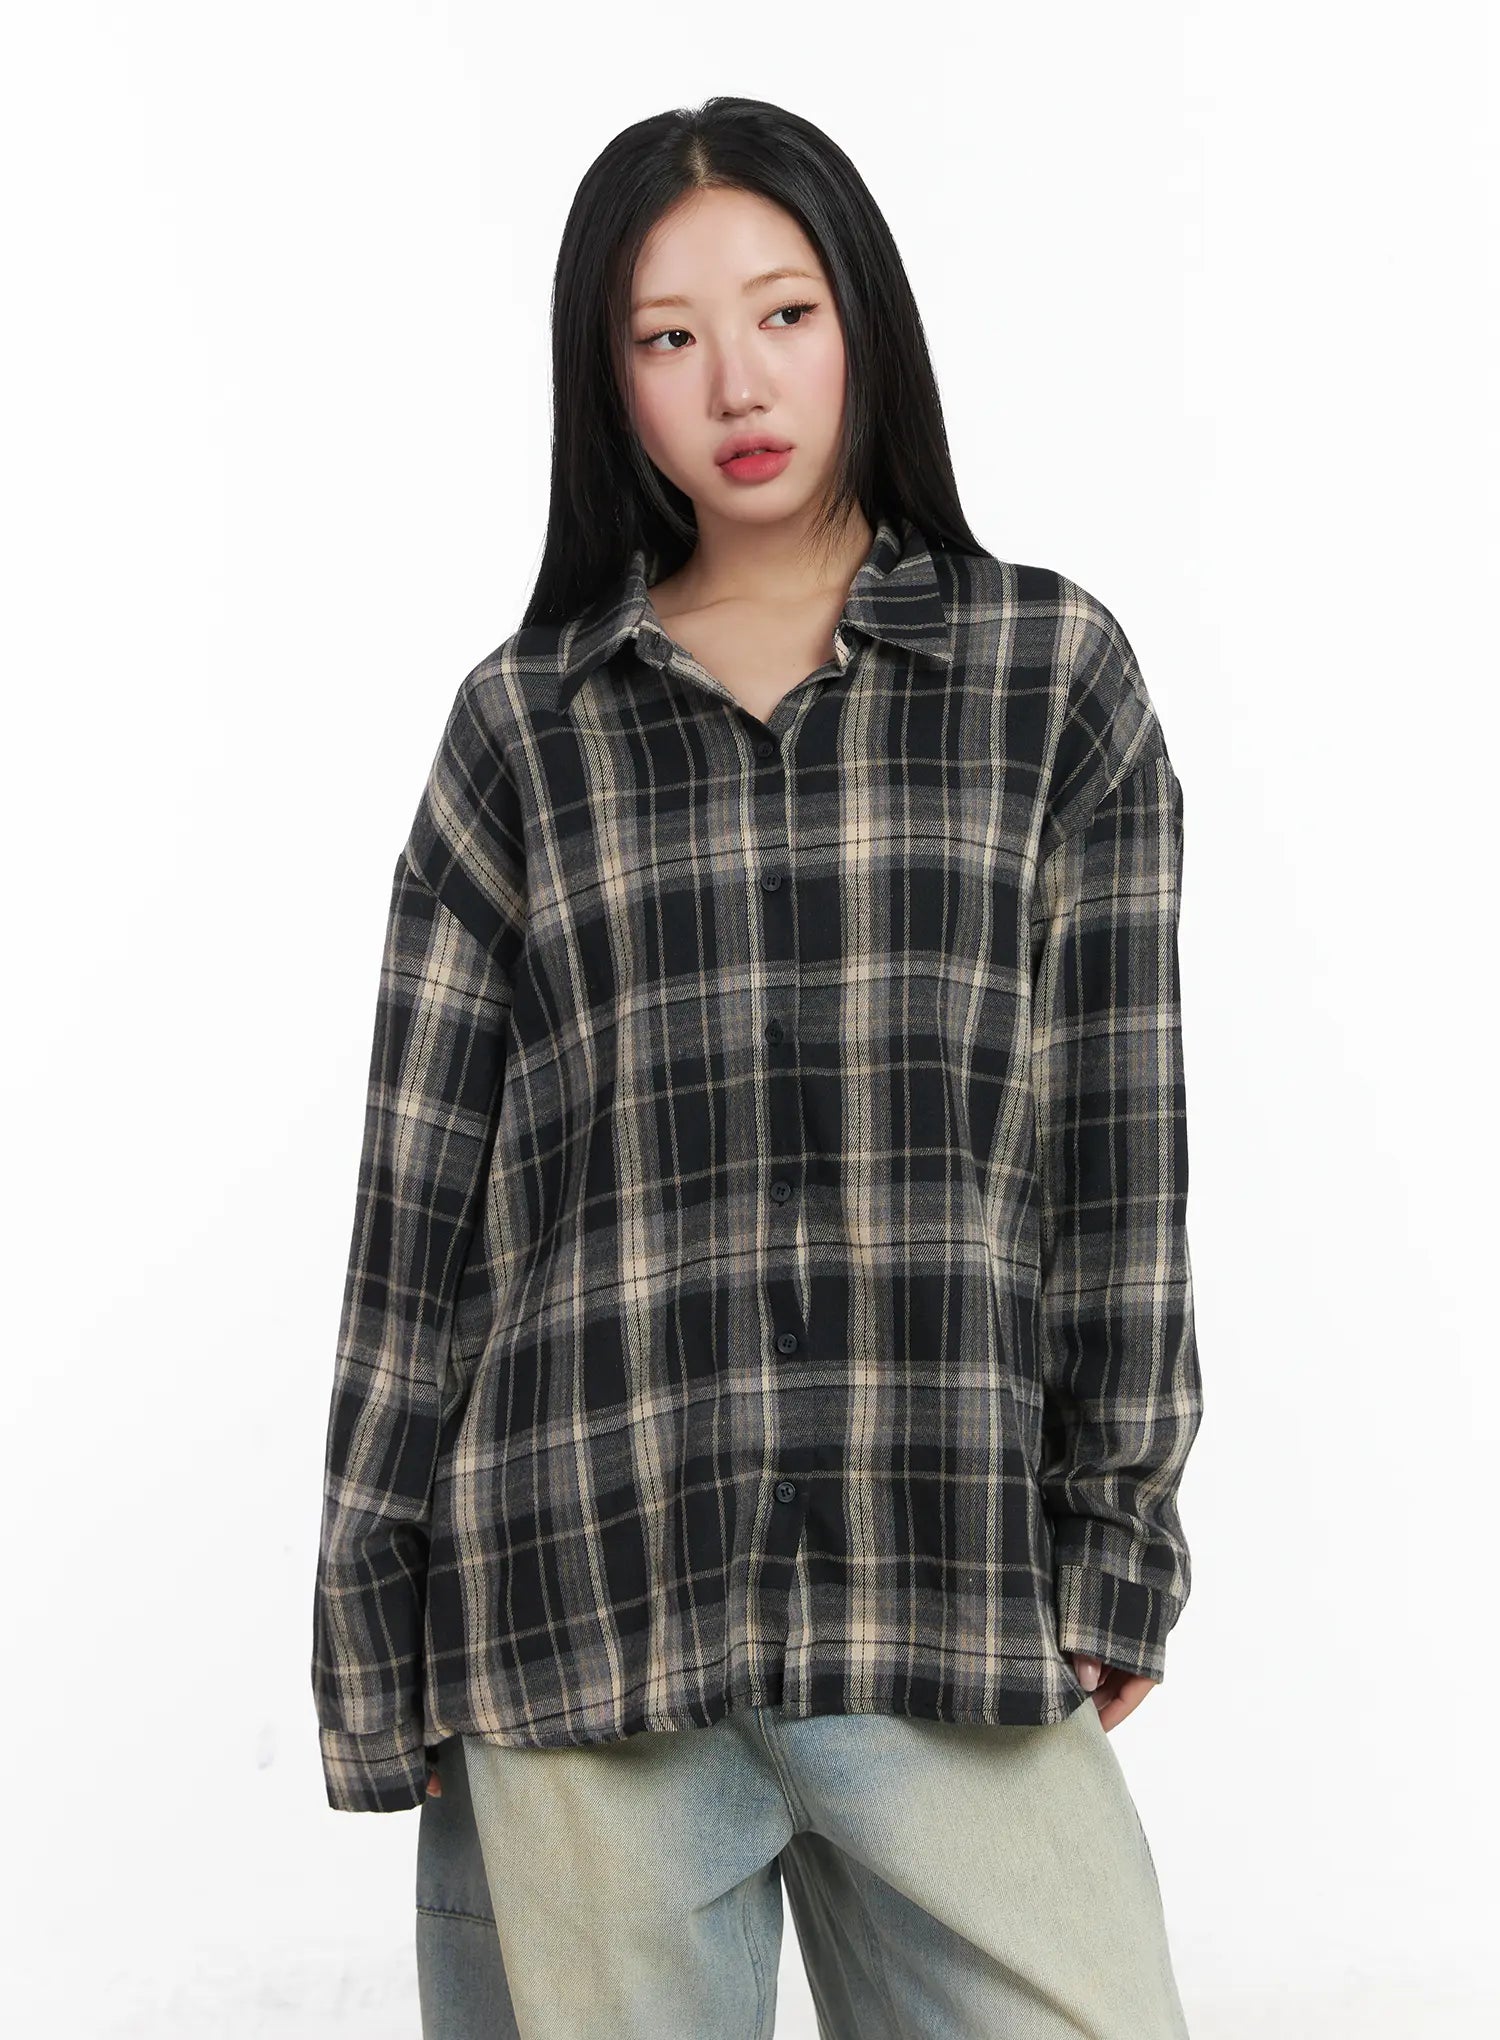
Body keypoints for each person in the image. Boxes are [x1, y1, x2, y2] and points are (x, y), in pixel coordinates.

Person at [312, 94, 1203, 2040]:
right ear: (607, 376)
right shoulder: (524, 732)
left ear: (863, 318)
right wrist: (376, 1631)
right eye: (669, 334)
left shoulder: (1051, 684)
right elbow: (416, 1217)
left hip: (940, 1587)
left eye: (785, 312)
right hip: (583, 1603)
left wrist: (1117, 1531)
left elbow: (1117, 1152)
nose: (738, 382)